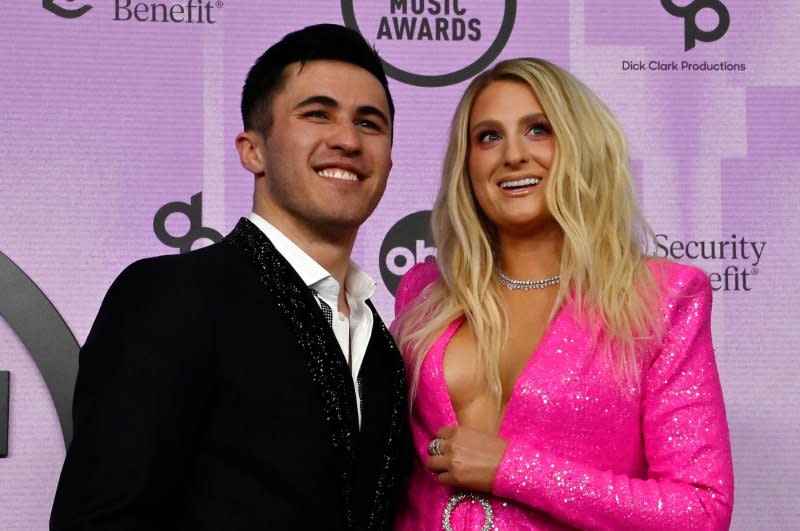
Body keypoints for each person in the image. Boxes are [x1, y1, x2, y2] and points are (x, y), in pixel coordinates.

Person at [50, 24, 409, 530]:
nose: (347, 139)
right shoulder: (173, 296)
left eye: (369, 123)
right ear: (252, 150)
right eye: (317, 114)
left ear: (390, 160)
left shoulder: (383, 347)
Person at [392, 58, 734, 530]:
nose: (512, 154)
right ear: (466, 165)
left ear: (581, 146)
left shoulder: (661, 299)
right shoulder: (422, 295)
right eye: (488, 136)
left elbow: (699, 510)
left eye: (538, 130)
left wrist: (512, 469)